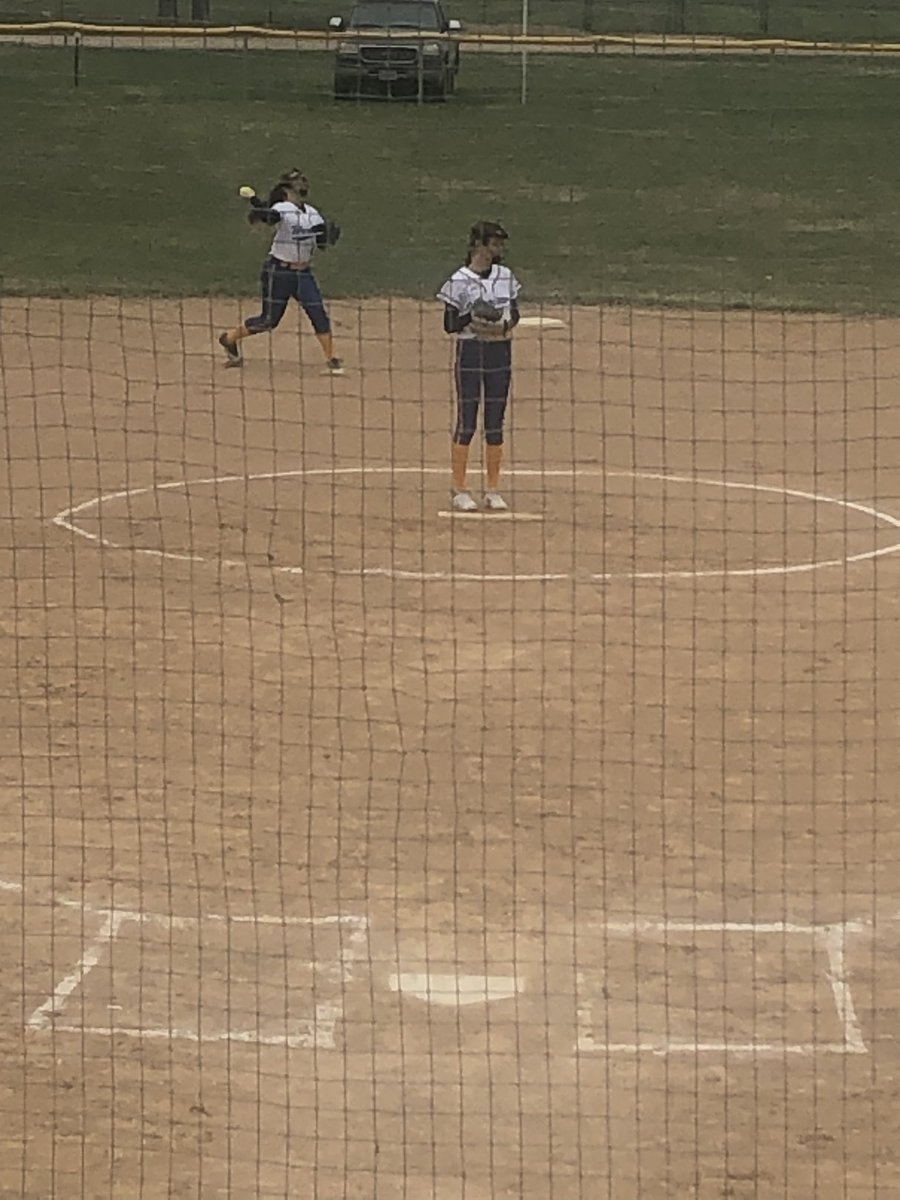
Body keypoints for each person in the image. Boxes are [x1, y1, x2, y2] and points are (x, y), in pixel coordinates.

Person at [218, 168, 343, 371]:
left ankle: (332, 358)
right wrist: (258, 207)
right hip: (278, 272)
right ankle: (229, 338)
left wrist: (328, 237)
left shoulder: (312, 213)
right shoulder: (283, 208)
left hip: (303, 274)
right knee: (269, 320)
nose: (301, 186)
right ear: (286, 190)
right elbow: (271, 217)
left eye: (302, 182)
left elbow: (321, 243)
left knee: (317, 312)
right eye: (297, 184)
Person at [437, 220, 521, 512]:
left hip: (500, 352)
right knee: (468, 420)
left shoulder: (506, 276)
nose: (498, 249)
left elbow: (515, 314)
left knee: (495, 421)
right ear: (478, 245)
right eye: (493, 243)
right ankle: (460, 489)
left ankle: (493, 490)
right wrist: (473, 316)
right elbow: (449, 324)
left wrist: (501, 323)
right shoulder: (458, 280)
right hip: (471, 352)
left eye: (500, 244)